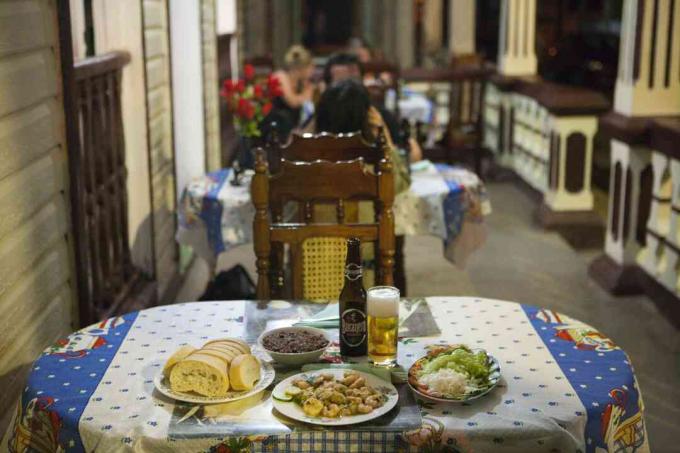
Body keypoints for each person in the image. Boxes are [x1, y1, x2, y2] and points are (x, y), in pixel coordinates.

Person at [321, 52, 423, 163]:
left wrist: (383, 134)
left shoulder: (376, 115)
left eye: (354, 82)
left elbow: (413, 154)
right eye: (341, 83)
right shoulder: (320, 116)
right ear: (327, 86)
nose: (349, 90)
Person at [315, 79, 411, 194]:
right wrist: (384, 135)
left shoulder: (305, 162)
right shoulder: (373, 168)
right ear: (368, 117)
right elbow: (402, 184)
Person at [263, 45, 315, 140]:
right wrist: (307, 92)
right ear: (302, 67)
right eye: (311, 67)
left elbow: (308, 106)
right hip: (273, 125)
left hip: (292, 127)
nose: (313, 71)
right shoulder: (281, 76)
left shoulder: (302, 83)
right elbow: (292, 101)